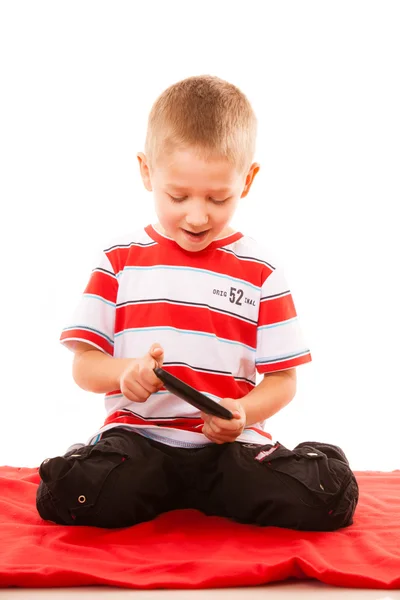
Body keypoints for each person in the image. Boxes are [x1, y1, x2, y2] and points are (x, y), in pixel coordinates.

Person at [36, 75, 358, 531]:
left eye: (218, 197)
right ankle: (102, 464)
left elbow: (283, 380)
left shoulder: (261, 270)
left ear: (247, 180)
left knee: (324, 501)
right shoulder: (119, 261)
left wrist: (243, 412)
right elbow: (84, 366)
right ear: (147, 172)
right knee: (76, 498)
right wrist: (124, 374)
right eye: (178, 195)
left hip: (230, 448)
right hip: (140, 440)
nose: (197, 215)